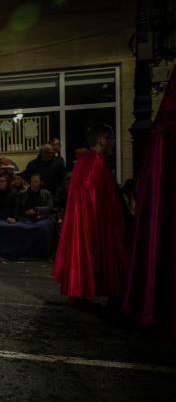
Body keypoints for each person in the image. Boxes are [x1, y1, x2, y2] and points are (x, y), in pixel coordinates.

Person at [53, 125, 129, 305]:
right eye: (111, 139)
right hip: (98, 222)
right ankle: (113, 290)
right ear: (103, 140)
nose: (112, 144)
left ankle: (79, 292)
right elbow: (99, 197)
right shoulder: (96, 164)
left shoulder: (83, 162)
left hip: (84, 220)